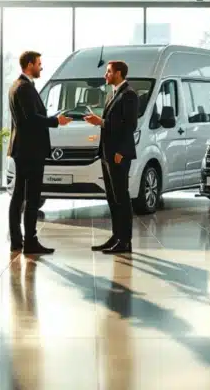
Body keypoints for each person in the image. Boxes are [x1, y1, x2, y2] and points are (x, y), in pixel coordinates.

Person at [7, 50, 71, 254]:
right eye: (38, 63)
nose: (41, 67)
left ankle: (17, 241)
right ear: (29, 65)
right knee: (32, 198)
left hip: (23, 149)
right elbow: (31, 119)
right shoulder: (24, 88)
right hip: (30, 151)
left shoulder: (17, 86)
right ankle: (30, 242)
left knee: (19, 196)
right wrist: (56, 121)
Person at [84, 60, 138, 254]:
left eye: (108, 72)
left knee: (121, 197)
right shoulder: (111, 94)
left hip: (118, 154)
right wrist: (99, 122)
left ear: (119, 73)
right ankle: (116, 237)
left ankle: (125, 241)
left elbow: (130, 126)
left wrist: (121, 152)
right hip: (107, 154)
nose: (105, 75)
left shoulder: (129, 95)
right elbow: (111, 123)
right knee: (112, 198)